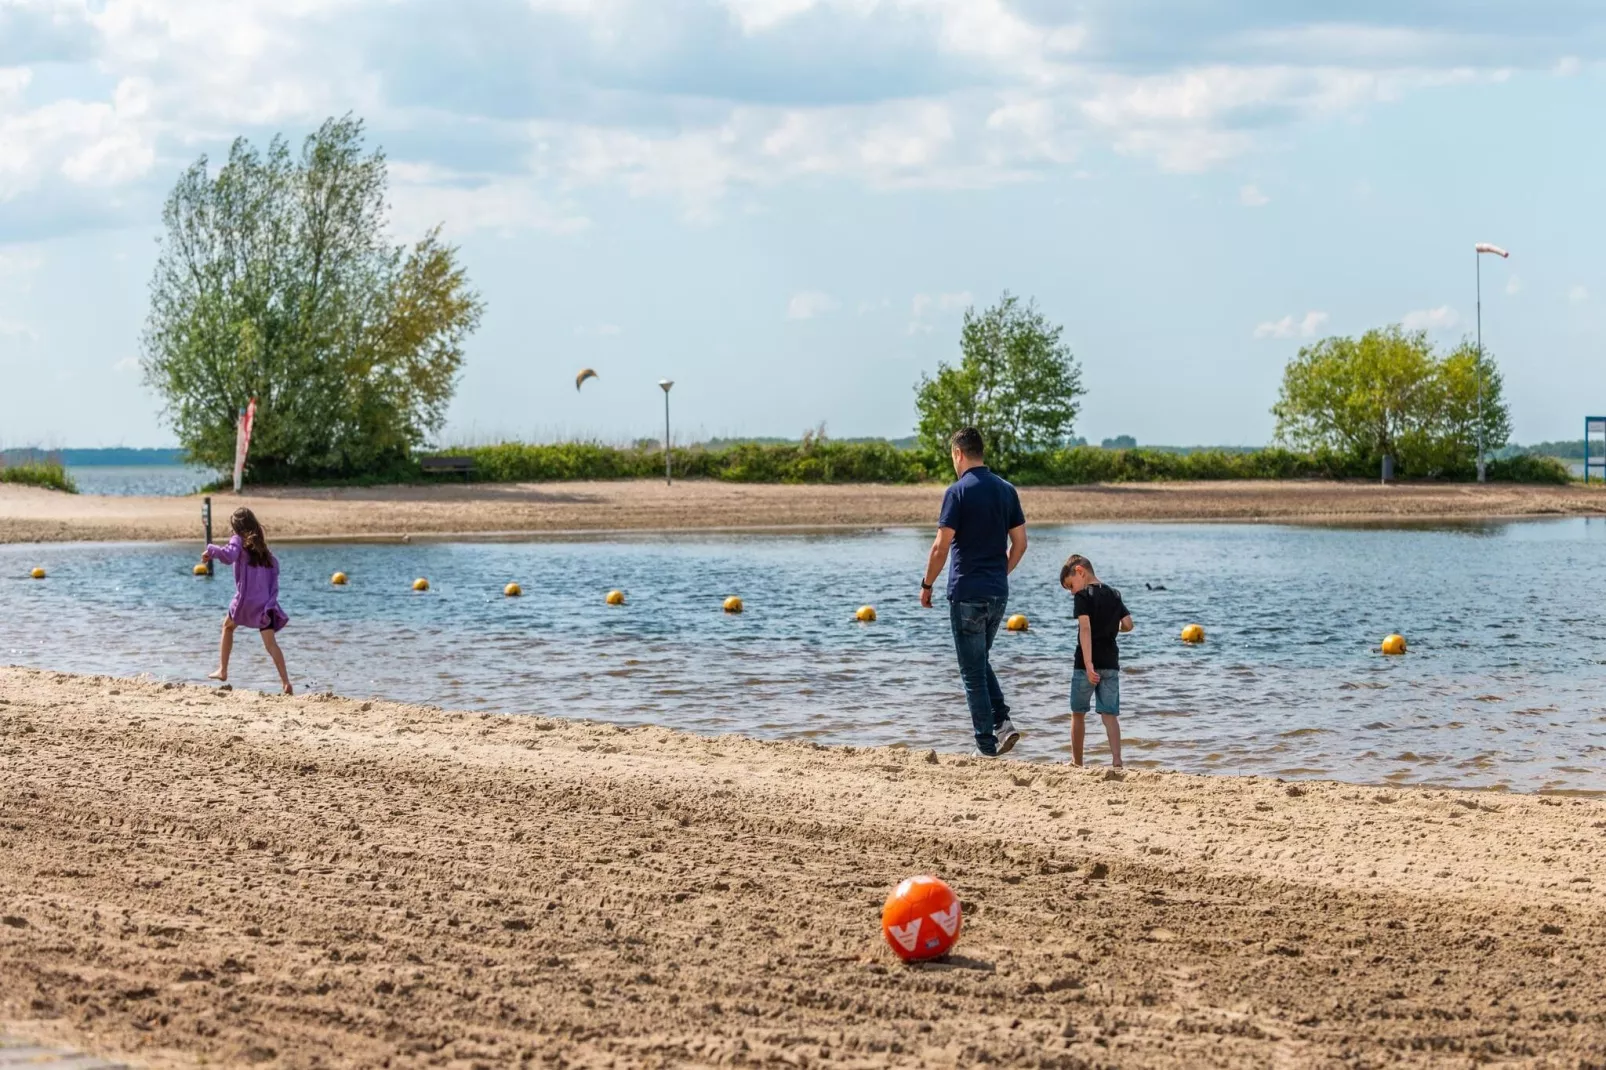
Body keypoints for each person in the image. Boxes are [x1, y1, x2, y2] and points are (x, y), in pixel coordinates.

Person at [919, 427, 1028, 756]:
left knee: (971, 670)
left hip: (966, 591)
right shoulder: (1007, 490)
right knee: (979, 662)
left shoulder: (957, 492)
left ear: (958, 453)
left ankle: (986, 744)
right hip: (998, 592)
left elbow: (941, 546)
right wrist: (999, 574)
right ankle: (1003, 723)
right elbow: (1020, 545)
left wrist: (927, 585)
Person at [203, 507, 293, 694]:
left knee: (227, 627)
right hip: (265, 605)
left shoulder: (237, 540)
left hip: (245, 602)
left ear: (236, 528)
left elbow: (228, 556)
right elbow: (273, 582)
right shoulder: (266, 554)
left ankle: (223, 670)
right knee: (271, 644)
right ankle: (285, 682)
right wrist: (271, 604)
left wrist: (211, 550)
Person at [1059, 553, 1132, 767]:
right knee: (1110, 715)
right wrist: (1111, 626)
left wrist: (1089, 663)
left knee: (1078, 713)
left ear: (1080, 571)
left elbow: (1085, 628)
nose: (1072, 592)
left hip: (1085, 665)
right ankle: (1117, 760)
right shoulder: (1114, 594)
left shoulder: (1083, 597)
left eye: (1071, 585)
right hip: (1111, 663)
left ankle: (1077, 762)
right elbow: (1128, 624)